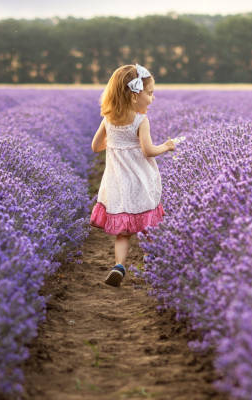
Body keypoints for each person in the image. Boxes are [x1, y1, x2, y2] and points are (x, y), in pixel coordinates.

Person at [90, 63, 175, 287]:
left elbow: (95, 147)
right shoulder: (140, 121)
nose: (152, 98)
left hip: (118, 184)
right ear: (135, 96)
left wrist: (116, 145)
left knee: (124, 233)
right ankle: (153, 264)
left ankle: (118, 266)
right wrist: (166, 146)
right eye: (149, 93)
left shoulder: (108, 120)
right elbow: (148, 150)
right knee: (149, 227)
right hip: (141, 182)